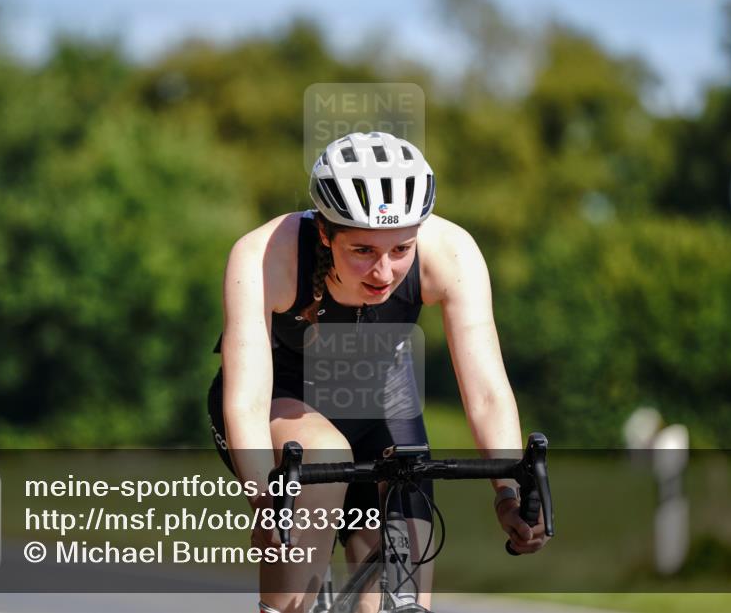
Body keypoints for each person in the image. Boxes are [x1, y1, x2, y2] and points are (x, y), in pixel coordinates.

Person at [207, 132, 548, 613]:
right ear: (325, 233)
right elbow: (245, 400)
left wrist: (508, 493)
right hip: (281, 405)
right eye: (363, 250)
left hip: (382, 408)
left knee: (396, 601)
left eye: (401, 249)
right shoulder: (266, 255)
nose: (384, 273)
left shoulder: (451, 252)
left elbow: (488, 392)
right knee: (298, 573)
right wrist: (266, 501)